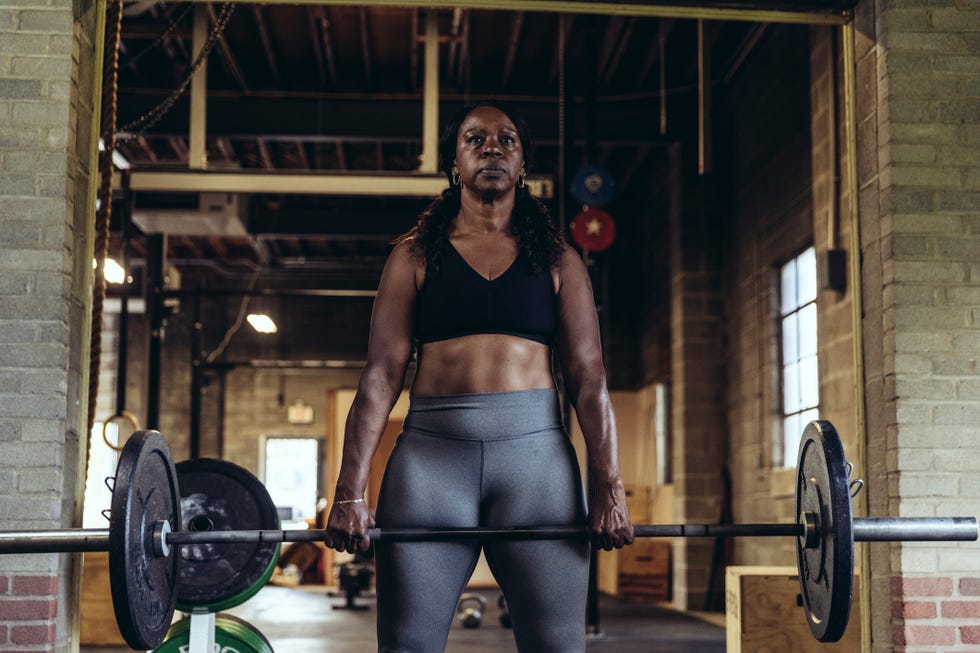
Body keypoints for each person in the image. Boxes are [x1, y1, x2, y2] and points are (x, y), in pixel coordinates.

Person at [324, 101, 634, 653]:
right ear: (454, 162)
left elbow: (589, 378)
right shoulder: (414, 257)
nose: (492, 147)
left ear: (522, 165)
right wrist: (350, 490)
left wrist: (608, 486)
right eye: (475, 139)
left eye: (506, 139)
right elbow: (380, 376)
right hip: (429, 465)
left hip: (537, 467)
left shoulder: (560, 259)